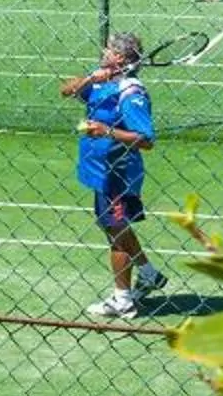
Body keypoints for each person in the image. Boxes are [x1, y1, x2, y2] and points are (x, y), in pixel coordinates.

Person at [60, 32, 166, 318]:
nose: (103, 52)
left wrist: (106, 131)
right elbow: (66, 91)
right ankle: (148, 274)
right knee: (113, 227)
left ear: (119, 57)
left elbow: (146, 140)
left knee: (116, 232)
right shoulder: (102, 84)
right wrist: (90, 79)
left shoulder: (131, 93)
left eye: (107, 49)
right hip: (99, 172)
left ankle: (123, 300)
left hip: (118, 174)